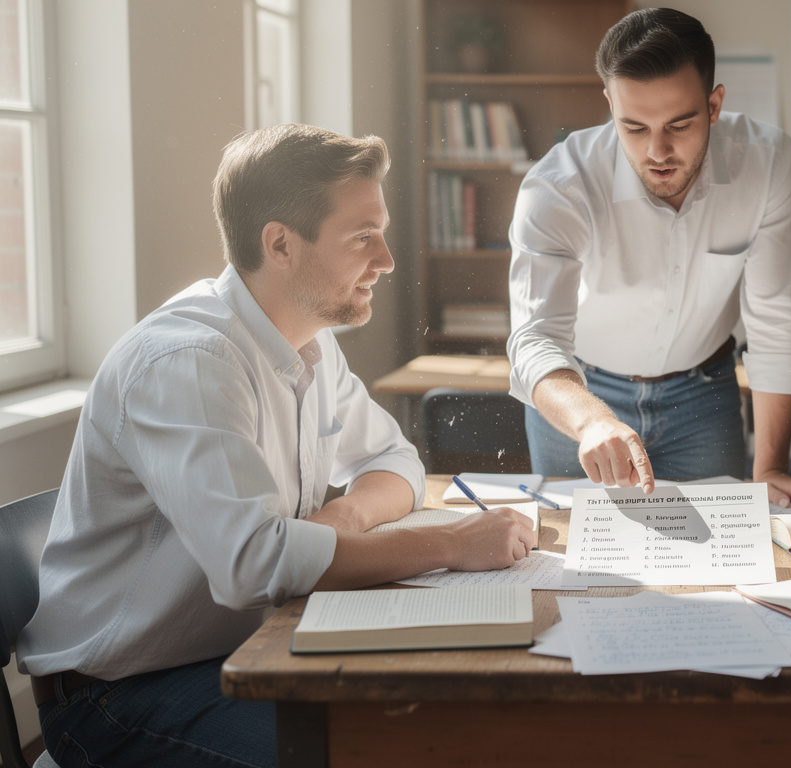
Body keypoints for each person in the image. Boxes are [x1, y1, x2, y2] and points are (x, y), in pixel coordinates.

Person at [17, 124, 536, 768]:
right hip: (120, 699)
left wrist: (343, 518)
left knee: (446, 720)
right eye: (362, 237)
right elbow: (255, 564)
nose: (387, 258)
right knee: (381, 751)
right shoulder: (189, 362)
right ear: (281, 244)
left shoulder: (308, 341)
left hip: (246, 650)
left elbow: (395, 460)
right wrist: (453, 545)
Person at [507, 8, 791, 505]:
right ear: (609, 104)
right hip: (581, 393)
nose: (658, 151)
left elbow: (777, 321)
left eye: (680, 124)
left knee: (716, 564)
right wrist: (592, 421)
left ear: (714, 105)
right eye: (633, 126)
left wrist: (771, 467)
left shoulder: (769, 165)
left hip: (703, 397)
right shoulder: (558, 187)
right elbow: (535, 338)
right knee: (574, 566)